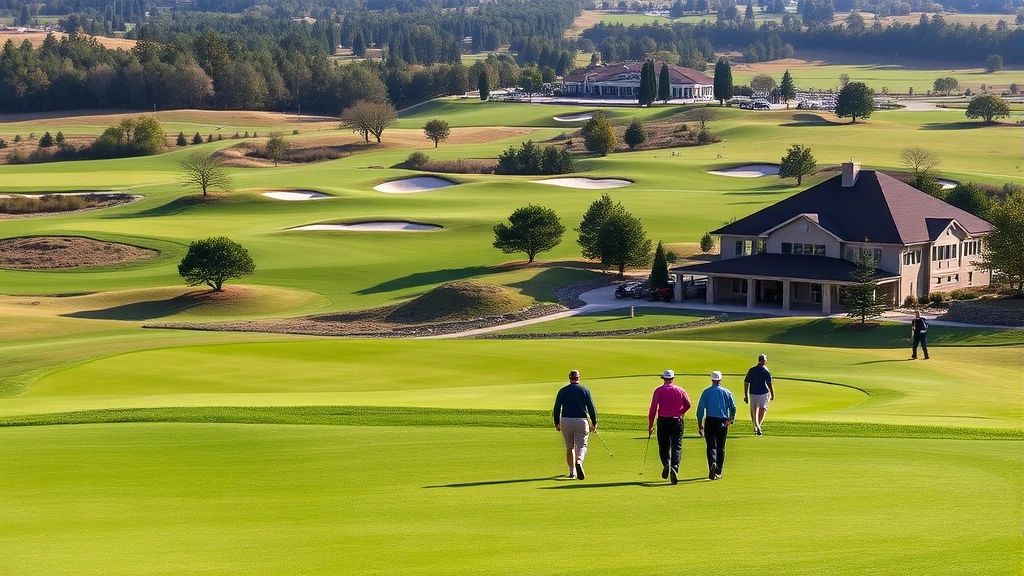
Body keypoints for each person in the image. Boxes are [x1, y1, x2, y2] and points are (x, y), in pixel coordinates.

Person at [648, 369, 692, 485]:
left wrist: (651, 424)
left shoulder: (658, 391)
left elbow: (653, 409)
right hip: (676, 420)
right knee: (676, 446)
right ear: (673, 379)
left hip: (663, 420)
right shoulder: (680, 390)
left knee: (663, 445)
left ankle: (666, 463)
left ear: (663, 379)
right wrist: (680, 412)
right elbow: (688, 404)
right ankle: (674, 467)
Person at [553, 370, 598, 480]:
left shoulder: (563, 391)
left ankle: (572, 472)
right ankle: (579, 461)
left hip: (565, 420)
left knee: (569, 447)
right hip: (580, 421)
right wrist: (594, 422)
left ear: (569, 378)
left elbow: (556, 408)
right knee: (582, 446)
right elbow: (591, 408)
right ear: (579, 378)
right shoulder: (585, 390)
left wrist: (557, 423)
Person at [696, 371, 736, 481]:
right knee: (721, 447)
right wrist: (731, 419)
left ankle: (712, 464)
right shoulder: (727, 392)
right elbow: (733, 408)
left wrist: (700, 424)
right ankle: (718, 471)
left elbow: (700, 409)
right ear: (720, 380)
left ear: (712, 380)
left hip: (710, 420)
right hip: (723, 421)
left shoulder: (706, 392)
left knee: (711, 445)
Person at [743, 354, 775, 436]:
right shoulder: (765, 371)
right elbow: (769, 384)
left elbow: (746, 382)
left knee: (754, 410)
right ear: (765, 361)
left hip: (752, 393)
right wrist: (772, 394)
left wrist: (746, 395)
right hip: (763, 393)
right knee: (762, 409)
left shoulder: (752, 370)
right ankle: (758, 426)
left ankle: (756, 426)